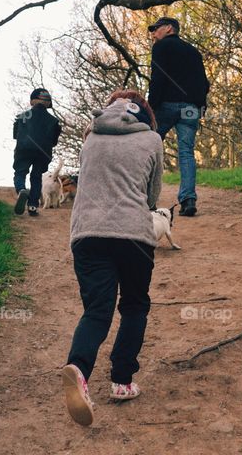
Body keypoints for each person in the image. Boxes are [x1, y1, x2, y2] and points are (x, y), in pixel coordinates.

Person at [62, 90, 164, 427]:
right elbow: (151, 196)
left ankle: (78, 368)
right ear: (144, 113)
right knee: (134, 305)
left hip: (87, 235)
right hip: (133, 236)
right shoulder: (152, 139)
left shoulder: (90, 137)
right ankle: (122, 381)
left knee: (96, 310)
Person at [146, 16, 209, 217]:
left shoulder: (161, 47)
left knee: (149, 150)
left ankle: (146, 199)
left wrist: (151, 106)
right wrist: (200, 106)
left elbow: (158, 77)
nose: (153, 33)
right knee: (187, 153)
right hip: (190, 108)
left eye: (156, 28)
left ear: (169, 28)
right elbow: (204, 83)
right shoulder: (193, 51)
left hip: (166, 106)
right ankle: (188, 200)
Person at [12, 88, 61, 216]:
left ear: (32, 101)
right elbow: (54, 141)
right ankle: (33, 206)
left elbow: (15, 135)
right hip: (43, 152)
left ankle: (21, 190)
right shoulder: (54, 121)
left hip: (24, 149)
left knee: (20, 172)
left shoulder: (22, 117)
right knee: (36, 177)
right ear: (48, 103)